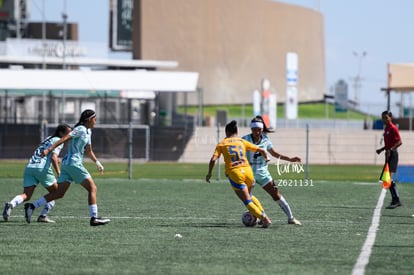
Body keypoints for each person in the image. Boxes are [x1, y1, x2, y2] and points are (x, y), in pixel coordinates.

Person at [24, 109, 110, 226]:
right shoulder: (80, 129)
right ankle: (94, 218)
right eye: (95, 119)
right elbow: (64, 139)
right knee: (92, 188)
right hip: (73, 163)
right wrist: (49, 149)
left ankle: (32, 206)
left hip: (67, 165)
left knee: (59, 193)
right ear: (90, 120)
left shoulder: (88, 132)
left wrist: (97, 162)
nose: (96, 121)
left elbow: (89, 151)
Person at [206, 120, 272, 228]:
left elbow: (213, 159)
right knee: (250, 196)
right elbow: (261, 150)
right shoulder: (241, 141)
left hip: (236, 173)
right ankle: (262, 215)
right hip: (248, 171)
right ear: (236, 131)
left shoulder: (222, 143)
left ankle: (264, 219)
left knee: (246, 200)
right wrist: (266, 157)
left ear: (226, 132)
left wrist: (209, 173)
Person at [2, 124, 71, 223]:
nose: (70, 136)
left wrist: (56, 159)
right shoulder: (58, 141)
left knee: (26, 195)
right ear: (61, 133)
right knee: (57, 193)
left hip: (30, 167)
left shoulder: (48, 138)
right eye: (68, 133)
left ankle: (11, 204)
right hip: (42, 169)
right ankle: (42, 215)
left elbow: (49, 154)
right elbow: (53, 157)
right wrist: (59, 172)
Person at [242, 115, 302, 225]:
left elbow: (274, 154)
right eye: (254, 130)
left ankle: (291, 218)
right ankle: (261, 216)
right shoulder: (244, 139)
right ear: (251, 129)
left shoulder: (265, 139)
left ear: (262, 129)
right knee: (247, 196)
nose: (257, 132)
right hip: (248, 172)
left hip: (263, 172)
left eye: (259, 130)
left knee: (276, 194)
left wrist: (290, 159)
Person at [376, 110, 402, 209]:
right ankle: (395, 200)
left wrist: (391, 150)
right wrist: (381, 149)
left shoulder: (393, 128)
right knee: (386, 178)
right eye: (383, 118)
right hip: (388, 154)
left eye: (386, 117)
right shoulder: (386, 129)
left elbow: (399, 142)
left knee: (388, 178)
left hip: (393, 154)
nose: (384, 120)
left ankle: (396, 200)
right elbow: (388, 144)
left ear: (390, 117)